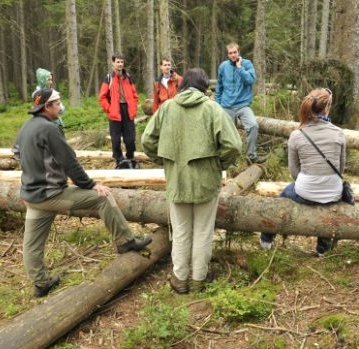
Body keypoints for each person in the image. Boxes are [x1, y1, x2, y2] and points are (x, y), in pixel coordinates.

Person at [14, 88, 152, 297]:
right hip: (52, 195)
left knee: (32, 244)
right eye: (57, 102)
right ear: (47, 106)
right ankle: (126, 241)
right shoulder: (49, 129)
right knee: (103, 198)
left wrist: (35, 170)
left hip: (32, 196)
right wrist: (89, 184)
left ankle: (40, 284)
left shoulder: (26, 127)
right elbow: (69, 162)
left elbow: (16, 152)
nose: (60, 106)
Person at [142, 68, 242, 293]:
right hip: (206, 181)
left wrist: (166, 161)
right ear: (205, 87)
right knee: (203, 231)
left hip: (177, 180)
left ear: (182, 85)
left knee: (181, 230)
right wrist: (219, 164)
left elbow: (147, 140)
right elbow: (234, 145)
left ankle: (179, 279)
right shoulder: (212, 108)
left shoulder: (167, 108)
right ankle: (198, 279)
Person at [259, 88, 345, 256]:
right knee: (327, 210)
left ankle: (266, 240)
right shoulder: (339, 133)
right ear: (327, 108)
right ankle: (323, 250)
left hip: (306, 190)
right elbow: (340, 169)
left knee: (284, 195)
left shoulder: (297, 135)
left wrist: (310, 182)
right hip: (334, 191)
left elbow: (294, 172)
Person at [215, 42, 263, 164]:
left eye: (235, 52)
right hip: (226, 106)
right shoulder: (223, 66)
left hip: (243, 105)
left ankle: (251, 156)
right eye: (230, 53)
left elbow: (250, 80)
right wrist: (218, 104)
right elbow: (219, 86)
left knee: (253, 126)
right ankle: (230, 161)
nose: (233, 55)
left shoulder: (247, 64)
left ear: (239, 52)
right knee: (227, 134)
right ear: (227, 54)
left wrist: (240, 68)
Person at [99, 53, 139, 166]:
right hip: (115, 111)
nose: (120, 64)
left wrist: (134, 108)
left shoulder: (128, 77)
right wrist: (110, 109)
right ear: (113, 63)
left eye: (122, 62)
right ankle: (119, 160)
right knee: (115, 140)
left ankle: (130, 158)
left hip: (128, 110)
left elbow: (135, 95)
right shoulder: (108, 78)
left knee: (130, 139)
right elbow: (102, 97)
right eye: (118, 62)